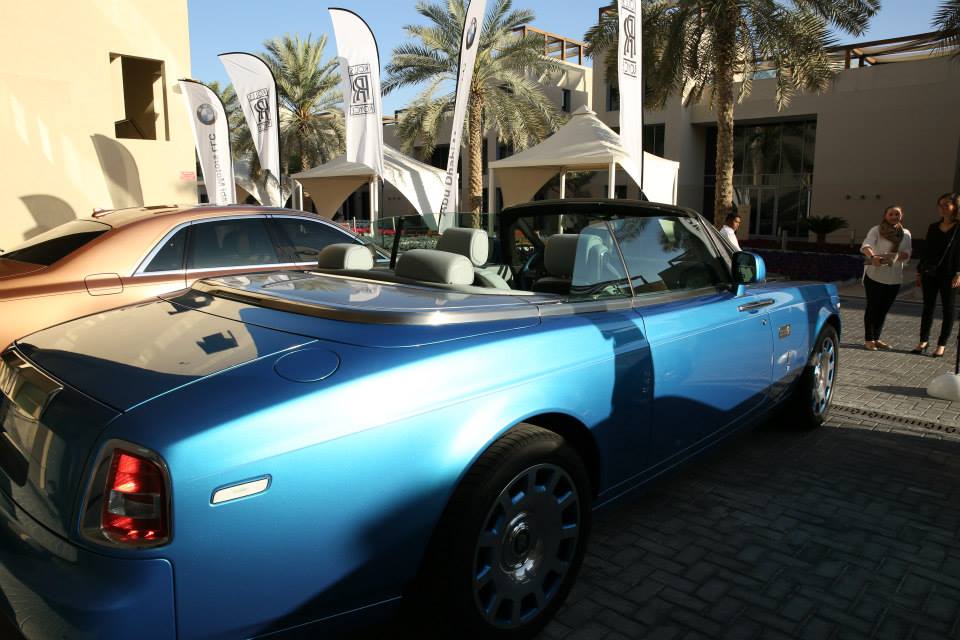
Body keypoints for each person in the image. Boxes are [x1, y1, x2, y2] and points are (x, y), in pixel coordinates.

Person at [913, 192, 960, 357]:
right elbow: (926, 250)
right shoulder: (933, 227)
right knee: (928, 307)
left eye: (946, 204)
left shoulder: (959, 227)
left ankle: (942, 344)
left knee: (948, 308)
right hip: (930, 272)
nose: (942, 208)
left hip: (951, 273)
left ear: (955, 207)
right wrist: (919, 271)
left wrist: (959, 273)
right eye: (940, 204)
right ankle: (923, 341)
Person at [860, 205, 911, 350]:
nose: (894, 216)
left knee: (883, 309)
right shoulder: (876, 230)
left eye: (897, 214)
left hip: (894, 277)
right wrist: (873, 256)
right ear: (885, 216)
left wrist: (897, 256)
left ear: (901, 216)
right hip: (874, 275)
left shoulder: (906, 233)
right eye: (891, 214)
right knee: (873, 307)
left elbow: (907, 252)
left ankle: (876, 338)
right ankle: (869, 339)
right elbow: (866, 245)